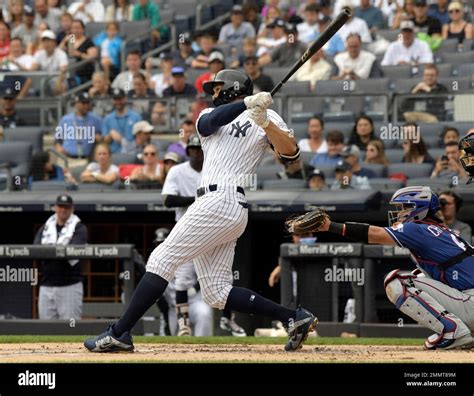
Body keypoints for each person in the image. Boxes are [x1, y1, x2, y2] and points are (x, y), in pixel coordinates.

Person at [84, 69, 317, 353]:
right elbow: (208, 124)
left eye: (218, 88)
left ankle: (119, 333)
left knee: (160, 259)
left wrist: (267, 123)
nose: (213, 93)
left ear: (233, 87)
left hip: (224, 200)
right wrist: (247, 104)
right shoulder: (209, 114)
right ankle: (292, 317)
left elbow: (291, 155)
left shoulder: (265, 115)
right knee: (217, 292)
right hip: (219, 205)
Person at [299, 185, 474, 349]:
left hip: (470, 302)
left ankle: (453, 331)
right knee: (419, 276)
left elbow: (374, 234)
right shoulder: (440, 230)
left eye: (405, 207)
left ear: (419, 209)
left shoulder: (417, 228)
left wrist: (330, 226)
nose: (399, 213)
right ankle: (464, 330)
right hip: (467, 300)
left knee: (397, 281)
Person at [34, 194, 87, 320]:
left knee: (70, 329)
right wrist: (56, 251)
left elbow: (71, 251)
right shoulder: (46, 227)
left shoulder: (79, 228)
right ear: (55, 208)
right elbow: (36, 249)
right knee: (46, 330)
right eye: (60, 206)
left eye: (66, 207)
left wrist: (50, 252)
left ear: (72, 209)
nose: (63, 210)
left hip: (70, 285)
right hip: (46, 285)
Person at [153, 228, 213, 337]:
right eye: (158, 244)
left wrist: (195, 288)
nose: (159, 246)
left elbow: (205, 276)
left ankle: (202, 348)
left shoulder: (188, 256)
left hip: (193, 303)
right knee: (165, 338)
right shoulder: (155, 263)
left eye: (162, 243)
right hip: (172, 309)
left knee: (204, 313)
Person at [55, 92, 102, 161]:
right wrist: (59, 147)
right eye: (83, 103)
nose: (86, 106)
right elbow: (57, 139)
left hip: (87, 158)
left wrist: (98, 138)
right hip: (68, 157)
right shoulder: (66, 119)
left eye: (87, 103)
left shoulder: (96, 119)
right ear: (76, 103)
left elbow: (102, 137)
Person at [102, 88, 142, 154]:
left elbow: (140, 140)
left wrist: (122, 141)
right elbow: (104, 142)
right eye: (115, 99)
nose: (118, 102)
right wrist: (110, 135)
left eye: (120, 99)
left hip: (131, 154)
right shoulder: (107, 118)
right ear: (112, 101)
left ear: (125, 99)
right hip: (113, 154)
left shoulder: (136, 117)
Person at [31, 29, 68, 95]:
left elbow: (63, 70)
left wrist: (58, 82)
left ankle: (59, 105)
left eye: (48, 41)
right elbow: (32, 69)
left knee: (61, 86)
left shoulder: (61, 54)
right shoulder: (39, 53)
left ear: (54, 42)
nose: (46, 44)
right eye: (44, 41)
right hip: (43, 82)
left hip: (58, 80)